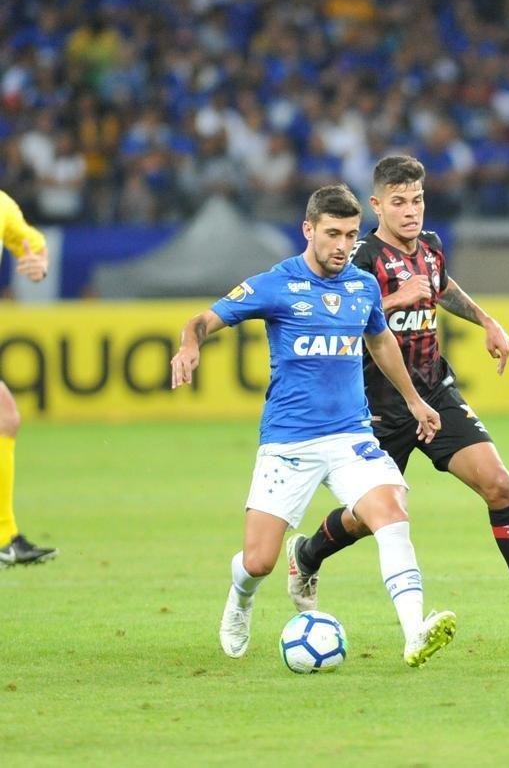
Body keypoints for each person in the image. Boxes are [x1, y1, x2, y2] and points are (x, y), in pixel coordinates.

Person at [285, 156, 509, 643]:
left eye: (418, 200)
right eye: (398, 202)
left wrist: (487, 321)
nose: (411, 211)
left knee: (500, 485)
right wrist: (394, 300)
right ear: (378, 205)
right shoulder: (361, 257)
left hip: (435, 391)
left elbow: (441, 287)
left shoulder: (430, 248)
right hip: (376, 408)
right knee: (368, 518)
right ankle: (308, 555)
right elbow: (332, 319)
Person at [169, 183, 457, 668]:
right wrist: (190, 344)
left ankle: (414, 633)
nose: (343, 246)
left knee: (391, 511)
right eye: (332, 234)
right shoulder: (275, 284)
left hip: (351, 437)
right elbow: (202, 320)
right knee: (258, 561)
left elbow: (381, 342)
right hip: (289, 442)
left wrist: (414, 401)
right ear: (308, 230)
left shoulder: (362, 286)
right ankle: (240, 599)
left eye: (349, 234)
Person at [0, 189, 56, 567]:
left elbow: (31, 242)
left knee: (6, 419)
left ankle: (6, 537)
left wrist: (38, 264)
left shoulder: (2, 206)